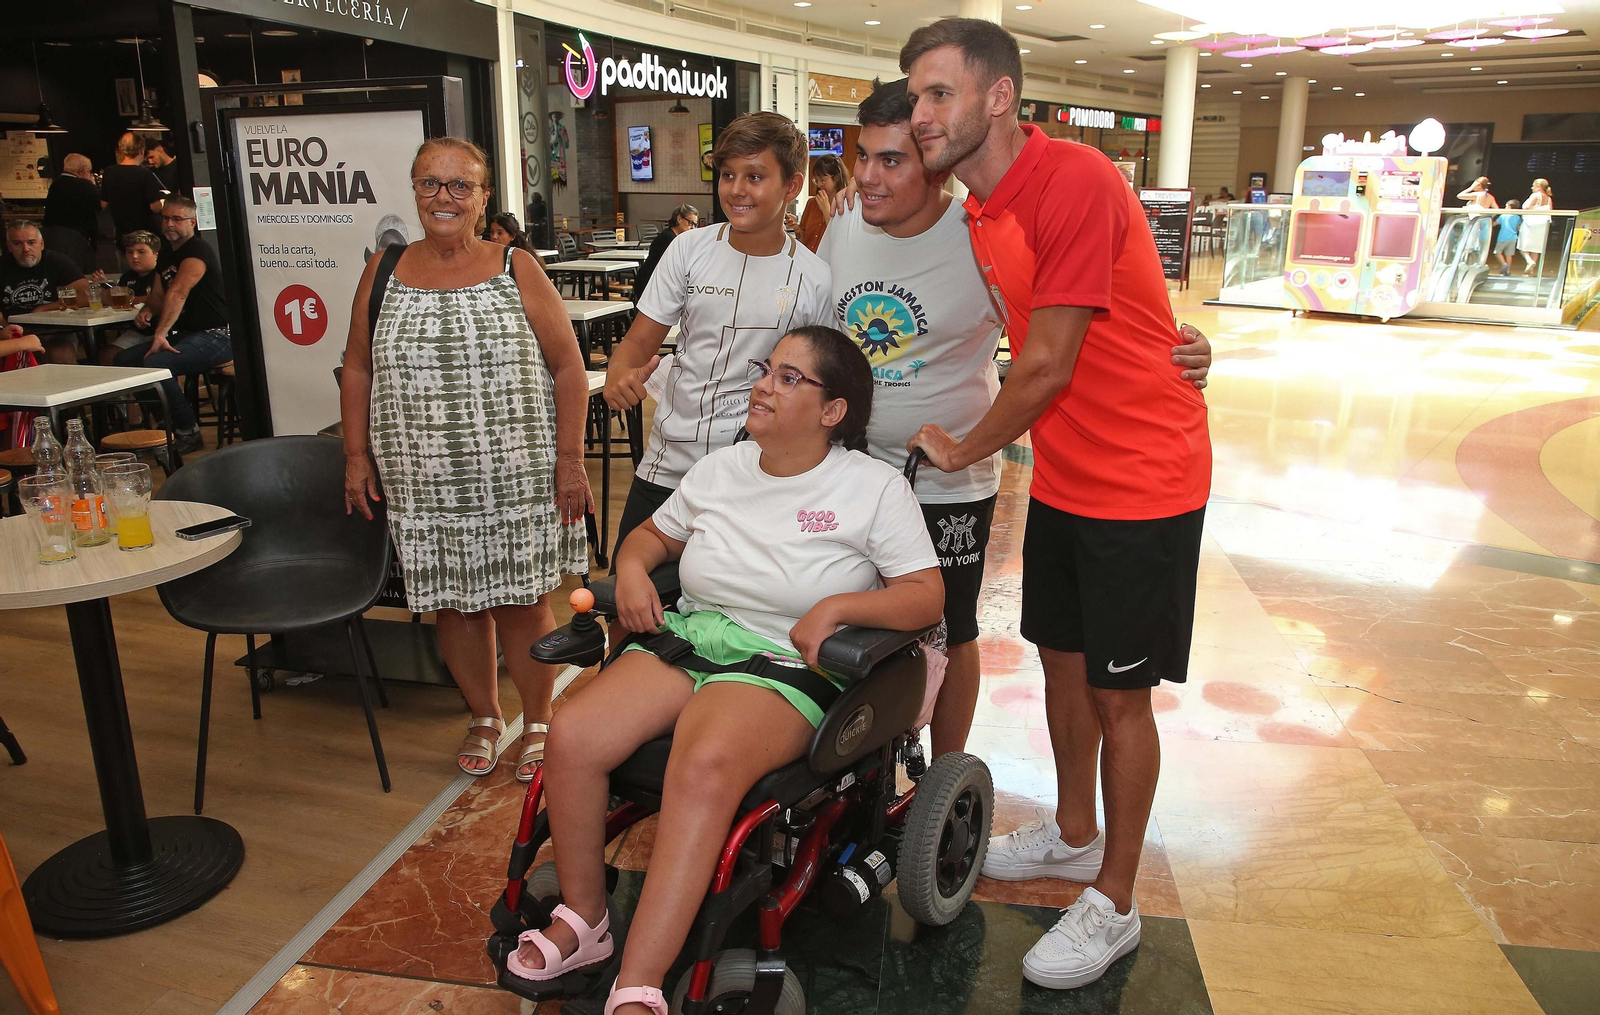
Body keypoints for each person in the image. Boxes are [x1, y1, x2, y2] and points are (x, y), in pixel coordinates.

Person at [900, 18, 1211, 989]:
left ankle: (1115, 900)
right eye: (914, 96)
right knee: (1062, 663)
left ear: (998, 97)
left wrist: (964, 446)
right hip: (1071, 477)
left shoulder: (1072, 178)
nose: (920, 114)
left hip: (1144, 479)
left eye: (938, 93)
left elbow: (1047, 363)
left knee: (1122, 694)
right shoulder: (980, 212)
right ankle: (1076, 833)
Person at [515, 326, 943, 1015]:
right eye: (766, 370)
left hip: (785, 660)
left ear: (833, 410)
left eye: (789, 377)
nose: (764, 385)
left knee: (703, 761)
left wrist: (838, 606)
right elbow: (652, 537)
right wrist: (632, 568)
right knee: (573, 733)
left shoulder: (873, 488)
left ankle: (639, 982)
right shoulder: (722, 468)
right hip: (695, 636)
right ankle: (585, 921)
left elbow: (925, 595)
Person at [819, 77, 1213, 758]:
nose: (868, 175)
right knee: (852, 616)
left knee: (952, 628)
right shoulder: (849, 226)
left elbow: (1070, 332)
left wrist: (1182, 351)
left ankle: (944, 777)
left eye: (892, 159)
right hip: (856, 469)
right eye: (863, 157)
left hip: (952, 480)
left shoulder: (975, 232)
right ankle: (862, 764)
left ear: (933, 165)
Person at [341, 137, 592, 784]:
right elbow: (358, 368)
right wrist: (355, 455)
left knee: (522, 601)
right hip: (421, 476)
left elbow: (569, 368)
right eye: (430, 183)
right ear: (415, 190)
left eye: (460, 185)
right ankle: (484, 713)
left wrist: (570, 461)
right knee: (453, 604)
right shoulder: (384, 269)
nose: (444, 197)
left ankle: (538, 719)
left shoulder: (516, 266)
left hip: (516, 472)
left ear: (483, 198)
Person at [604, 112, 833, 550]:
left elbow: (816, 386)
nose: (737, 189)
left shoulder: (815, 278)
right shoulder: (688, 249)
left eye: (755, 176)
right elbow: (637, 342)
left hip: (757, 473)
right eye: (728, 175)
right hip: (670, 463)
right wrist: (619, 372)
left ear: (792, 186)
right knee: (628, 584)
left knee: (731, 591)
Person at [112, 197, 232, 455]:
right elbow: (158, 295)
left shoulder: (197, 250)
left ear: (192, 222)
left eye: (177, 219)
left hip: (219, 334)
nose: (169, 224)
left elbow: (178, 292)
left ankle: (188, 431)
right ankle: (165, 426)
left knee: (158, 363)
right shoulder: (167, 252)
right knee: (125, 360)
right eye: (165, 218)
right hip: (190, 334)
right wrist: (147, 310)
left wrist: (160, 334)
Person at [0, 220, 87, 365]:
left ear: (41, 244)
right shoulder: (3, 266)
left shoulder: (57, 261)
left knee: (59, 354)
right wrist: (3, 328)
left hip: (57, 329)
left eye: (31, 242)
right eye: (17, 243)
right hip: (15, 331)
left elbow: (85, 294)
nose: (26, 249)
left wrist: (44, 308)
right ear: (9, 247)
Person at [95, 231, 161, 366]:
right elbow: (112, 301)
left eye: (141, 252)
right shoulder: (127, 277)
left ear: (156, 254)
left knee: (143, 358)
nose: (134, 256)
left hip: (163, 330)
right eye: (129, 252)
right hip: (137, 330)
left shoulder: (161, 274)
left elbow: (157, 299)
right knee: (106, 356)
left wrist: (127, 300)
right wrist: (104, 287)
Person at [100, 132, 167, 242]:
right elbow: (155, 207)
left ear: (122, 150)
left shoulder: (109, 172)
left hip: (121, 234)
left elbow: (103, 204)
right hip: (144, 236)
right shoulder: (145, 174)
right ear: (141, 150)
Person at [42, 153, 102, 273]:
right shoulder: (84, 185)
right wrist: (93, 185)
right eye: (89, 172)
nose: (90, 175)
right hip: (74, 240)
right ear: (81, 171)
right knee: (77, 273)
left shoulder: (56, 184)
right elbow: (100, 205)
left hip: (51, 238)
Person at [628, 203, 697, 303]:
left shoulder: (676, 238)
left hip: (659, 285)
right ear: (679, 219)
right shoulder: (668, 238)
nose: (693, 227)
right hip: (649, 285)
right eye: (690, 223)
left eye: (695, 224)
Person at [797, 152, 846, 251]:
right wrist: (797, 229)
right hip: (808, 257)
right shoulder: (812, 203)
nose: (819, 185)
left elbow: (841, 240)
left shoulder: (846, 205)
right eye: (816, 180)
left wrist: (826, 210)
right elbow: (803, 238)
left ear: (836, 178)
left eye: (823, 180)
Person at [1519, 178, 1553, 276]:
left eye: (1533, 186)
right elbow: (1550, 210)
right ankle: (1531, 270)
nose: (1532, 188)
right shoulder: (1548, 198)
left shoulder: (1536, 195)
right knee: (1536, 248)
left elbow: (1526, 207)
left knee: (1523, 245)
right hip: (1542, 225)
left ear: (1538, 186)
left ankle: (1529, 261)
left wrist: (1534, 209)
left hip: (1530, 223)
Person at [1494, 200, 1522, 277]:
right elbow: (1519, 228)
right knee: (1509, 255)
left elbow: (1494, 224)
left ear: (1509, 207)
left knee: (1497, 252)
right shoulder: (1517, 217)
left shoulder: (1503, 216)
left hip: (1503, 237)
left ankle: (1504, 264)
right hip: (1513, 237)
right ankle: (1508, 271)